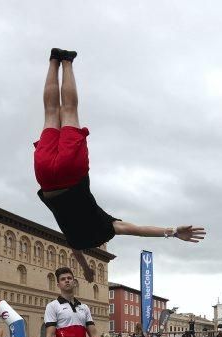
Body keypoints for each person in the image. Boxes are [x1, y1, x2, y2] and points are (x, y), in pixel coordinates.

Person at [32, 48, 205, 283]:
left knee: (69, 111)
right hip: (46, 178)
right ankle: (54, 61)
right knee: (50, 113)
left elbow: (139, 229)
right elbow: (76, 252)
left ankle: (67, 61)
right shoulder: (74, 238)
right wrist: (86, 270)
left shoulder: (108, 227)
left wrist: (173, 232)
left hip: (72, 174)